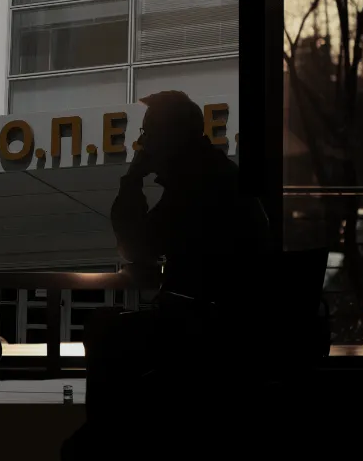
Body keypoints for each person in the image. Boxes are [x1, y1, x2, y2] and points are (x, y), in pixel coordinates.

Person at [69, 91, 269, 453]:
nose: (141, 142)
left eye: (148, 132)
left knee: (104, 330)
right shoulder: (215, 174)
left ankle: (104, 440)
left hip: (208, 339)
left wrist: (132, 178)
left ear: (171, 136)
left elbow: (135, 246)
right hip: (232, 333)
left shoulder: (197, 183)